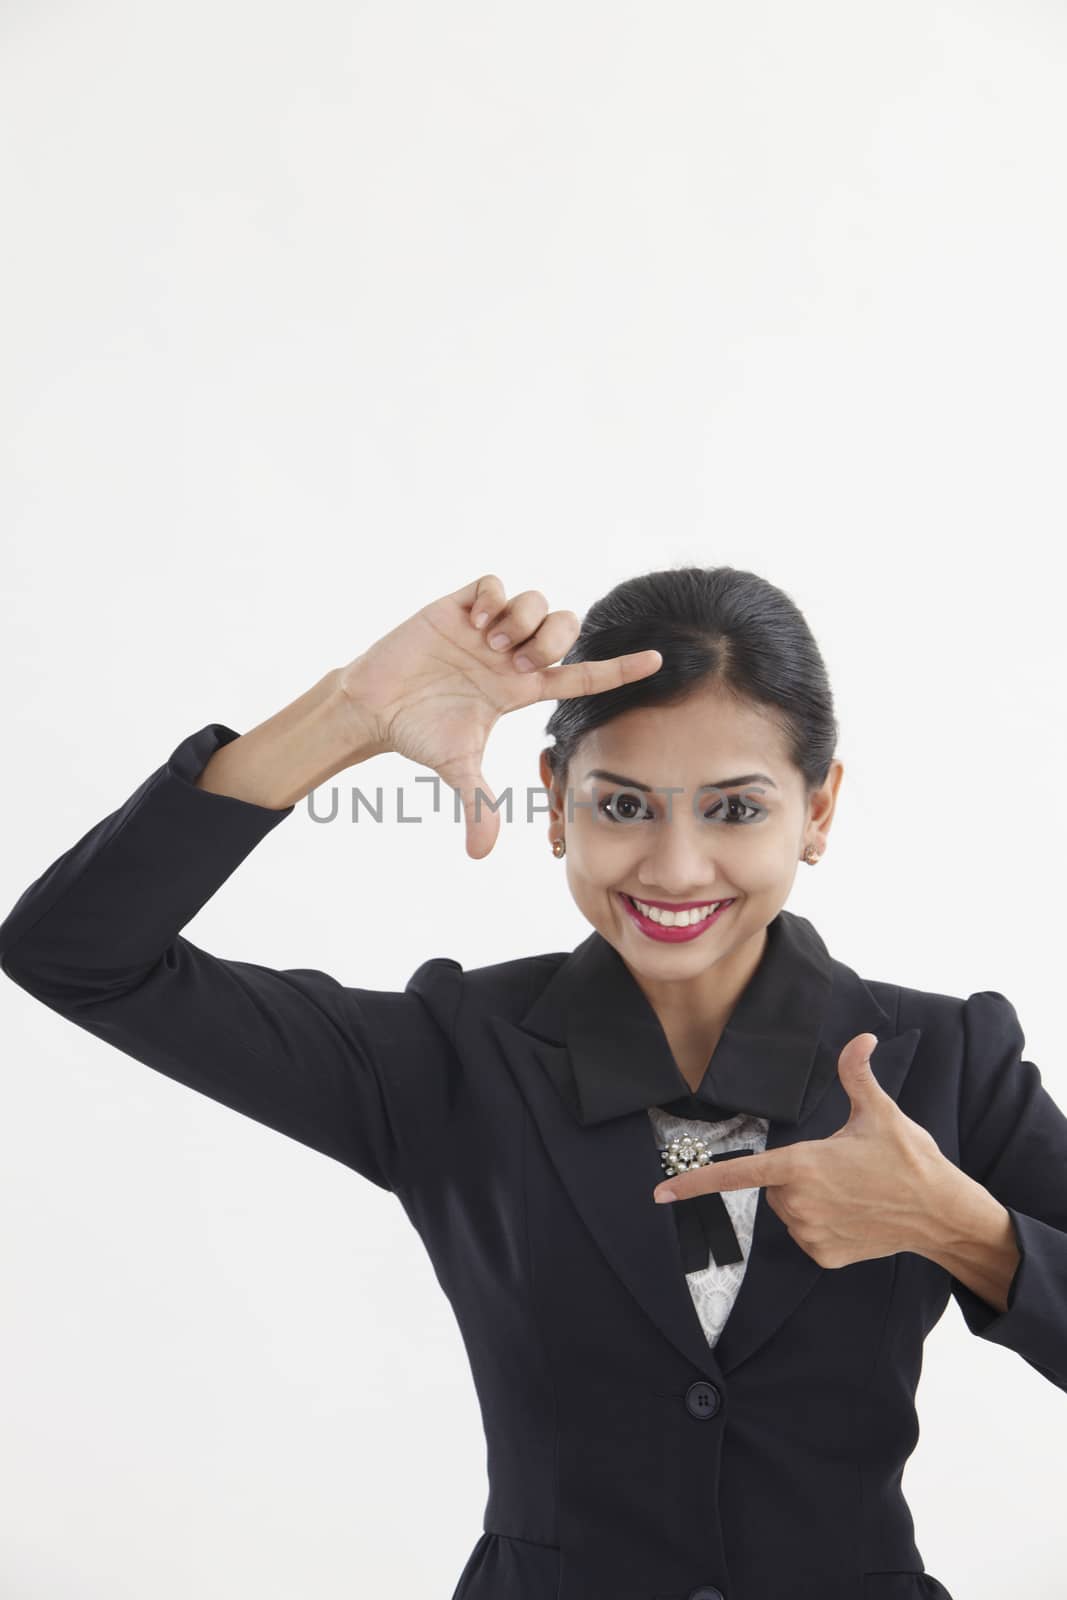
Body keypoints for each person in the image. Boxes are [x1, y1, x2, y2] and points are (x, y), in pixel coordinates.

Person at [2, 566, 1065, 1600]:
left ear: (818, 809)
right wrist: (350, 712)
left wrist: (966, 1231)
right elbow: (77, 952)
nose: (675, 868)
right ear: (555, 800)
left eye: (735, 811)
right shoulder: (451, 1051)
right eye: (623, 806)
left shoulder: (946, 1057)